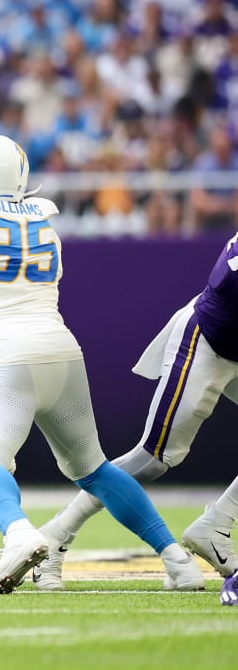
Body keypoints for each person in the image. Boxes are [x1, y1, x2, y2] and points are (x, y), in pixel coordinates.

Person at [0, 134, 204, 593]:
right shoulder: (44, 218)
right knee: (95, 469)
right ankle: (178, 562)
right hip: (61, 353)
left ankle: (19, 535)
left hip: (0, 356)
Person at [33, 231, 238, 589]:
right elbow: (226, 283)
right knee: (154, 458)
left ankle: (217, 526)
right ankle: (55, 537)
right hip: (208, 342)